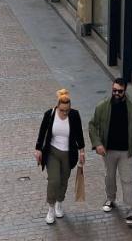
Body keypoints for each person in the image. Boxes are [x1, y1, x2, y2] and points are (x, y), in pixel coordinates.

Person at [87, 77, 132, 225]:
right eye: (114, 90)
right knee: (110, 177)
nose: (116, 93)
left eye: (119, 91)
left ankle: (131, 211)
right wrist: (98, 144)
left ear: (125, 90)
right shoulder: (102, 106)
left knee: (127, 180)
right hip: (109, 151)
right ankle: (110, 199)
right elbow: (92, 125)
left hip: (126, 151)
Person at [34, 89, 85, 225]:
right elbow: (42, 132)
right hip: (52, 152)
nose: (64, 113)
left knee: (64, 180)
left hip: (68, 154)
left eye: (67, 110)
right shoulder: (50, 114)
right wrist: (38, 149)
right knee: (54, 180)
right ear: (57, 106)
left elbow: (79, 134)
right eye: (62, 110)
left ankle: (59, 203)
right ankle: (50, 208)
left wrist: (82, 152)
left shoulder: (74, 115)